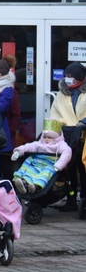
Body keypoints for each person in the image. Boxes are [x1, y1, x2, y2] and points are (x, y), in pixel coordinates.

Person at [47, 61, 86, 212]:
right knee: (69, 168)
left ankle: (84, 198)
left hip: (83, 134)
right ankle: (71, 199)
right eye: (66, 76)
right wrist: (50, 132)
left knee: (83, 168)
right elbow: (55, 113)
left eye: (71, 76)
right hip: (67, 135)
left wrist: (83, 123)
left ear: (80, 77)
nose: (67, 79)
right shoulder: (62, 93)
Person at [11, 119, 72, 194]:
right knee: (30, 171)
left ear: (56, 138)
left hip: (50, 164)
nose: (46, 139)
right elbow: (29, 146)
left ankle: (36, 186)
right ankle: (24, 183)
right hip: (37, 163)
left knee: (45, 174)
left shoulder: (60, 144)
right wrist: (18, 151)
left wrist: (59, 165)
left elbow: (67, 152)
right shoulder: (39, 143)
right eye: (45, 137)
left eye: (49, 137)